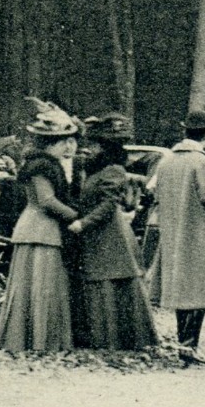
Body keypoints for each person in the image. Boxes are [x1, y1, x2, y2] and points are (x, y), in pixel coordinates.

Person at [0, 98, 82, 354]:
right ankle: (39, 340)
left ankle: (36, 338)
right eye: (66, 142)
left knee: (38, 285)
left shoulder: (45, 164)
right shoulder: (41, 166)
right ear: (54, 143)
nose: (70, 147)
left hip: (37, 228)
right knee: (42, 285)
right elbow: (46, 200)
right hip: (41, 229)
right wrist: (74, 217)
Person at [145, 109, 205, 365]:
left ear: (185, 130)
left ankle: (184, 346)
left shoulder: (167, 161)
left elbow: (154, 192)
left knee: (182, 292)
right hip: (200, 233)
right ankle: (189, 347)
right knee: (197, 291)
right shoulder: (202, 162)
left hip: (173, 233)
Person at [69, 113, 158, 351]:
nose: (90, 150)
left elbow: (108, 205)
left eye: (95, 145)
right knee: (100, 278)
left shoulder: (113, 170)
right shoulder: (97, 169)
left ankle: (115, 338)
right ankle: (101, 336)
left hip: (110, 235)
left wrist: (83, 223)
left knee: (109, 279)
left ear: (104, 148)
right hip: (100, 233)